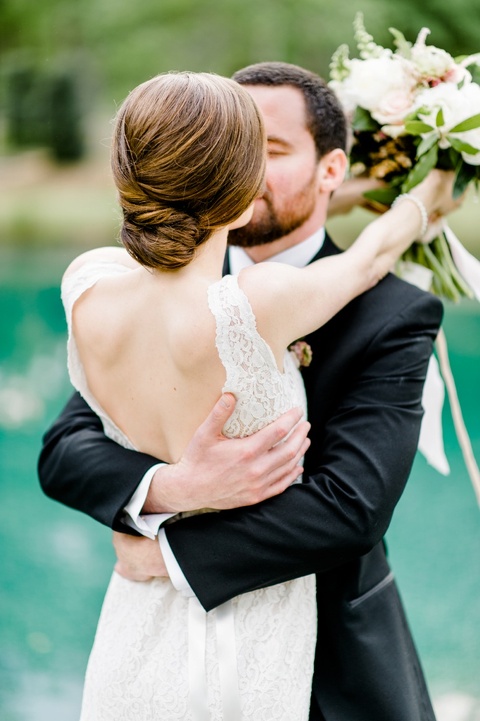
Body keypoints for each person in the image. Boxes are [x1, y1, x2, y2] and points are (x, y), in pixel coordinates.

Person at [38, 64, 453, 721]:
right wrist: (424, 199)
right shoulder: (261, 303)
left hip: (141, 631)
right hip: (249, 654)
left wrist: (163, 553)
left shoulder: (91, 285)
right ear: (238, 194)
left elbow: (352, 510)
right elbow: (64, 450)